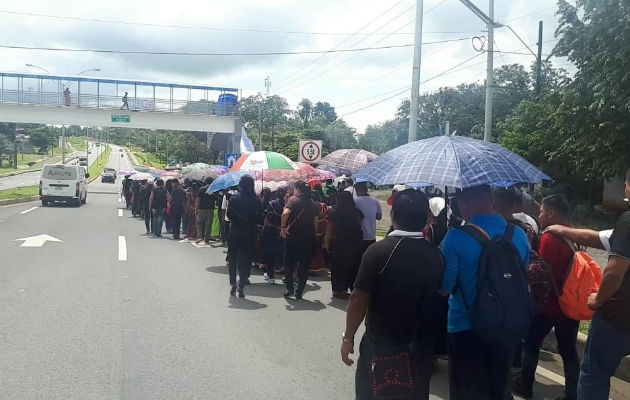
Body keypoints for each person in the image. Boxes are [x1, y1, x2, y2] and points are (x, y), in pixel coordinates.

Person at [340, 189, 444, 400]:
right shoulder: (437, 256)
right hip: (421, 350)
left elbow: (358, 299)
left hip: (381, 346)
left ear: (393, 215)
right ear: (425, 218)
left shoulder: (378, 252)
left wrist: (348, 337)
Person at [440, 185, 530, 400]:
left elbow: (445, 288)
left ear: (462, 205)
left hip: (465, 326)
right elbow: (522, 275)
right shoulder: (518, 234)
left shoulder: (455, 238)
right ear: (491, 202)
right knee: (498, 388)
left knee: (467, 391)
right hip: (506, 324)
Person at [511, 194, 579, 400]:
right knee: (568, 350)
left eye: (541, 211)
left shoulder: (550, 237)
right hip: (569, 303)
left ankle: (525, 384)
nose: (539, 215)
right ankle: (572, 393)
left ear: (551, 213)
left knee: (531, 343)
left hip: (549, 305)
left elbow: (541, 271)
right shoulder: (573, 235)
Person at [577, 168, 630, 400]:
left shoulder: (628, 220)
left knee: (593, 376)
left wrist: (598, 299)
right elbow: (597, 237)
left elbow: (614, 272)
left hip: (617, 317)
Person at [280, 181, 320, 300]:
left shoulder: (293, 200)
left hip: (293, 238)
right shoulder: (313, 204)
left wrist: (283, 227)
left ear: (298, 189)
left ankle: (289, 288)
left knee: (288, 263)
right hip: (308, 239)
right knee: (304, 265)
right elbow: (316, 223)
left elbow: (285, 213)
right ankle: (299, 292)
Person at [226, 175, 263, 298]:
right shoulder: (256, 200)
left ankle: (233, 283)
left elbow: (229, 215)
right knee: (246, 259)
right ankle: (242, 284)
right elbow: (260, 219)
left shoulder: (234, 198)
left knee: (233, 259)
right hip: (249, 233)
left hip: (235, 232)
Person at [325, 191, 363, 298]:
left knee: (338, 266)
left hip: (339, 242)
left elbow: (330, 229)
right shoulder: (357, 212)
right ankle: (352, 288)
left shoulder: (335, 213)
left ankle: (338, 290)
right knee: (353, 266)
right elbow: (360, 226)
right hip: (355, 243)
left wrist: (327, 243)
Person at [262, 187, 286, 284]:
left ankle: (270, 276)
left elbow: (267, 219)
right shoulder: (287, 205)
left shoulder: (272, 204)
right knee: (279, 252)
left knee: (269, 255)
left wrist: (263, 230)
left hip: (270, 230)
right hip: (282, 231)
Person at [353, 181, 382, 255]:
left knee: (360, 258)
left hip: (359, 236)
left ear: (357, 190)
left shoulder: (355, 202)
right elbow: (379, 217)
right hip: (372, 235)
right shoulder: (375, 201)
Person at [196, 177, 215, 245]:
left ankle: (200, 237)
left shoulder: (201, 189)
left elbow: (198, 199)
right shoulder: (213, 190)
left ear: (205, 182)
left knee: (199, 223)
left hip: (201, 209)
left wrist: (196, 208)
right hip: (210, 209)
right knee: (208, 225)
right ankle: (206, 239)